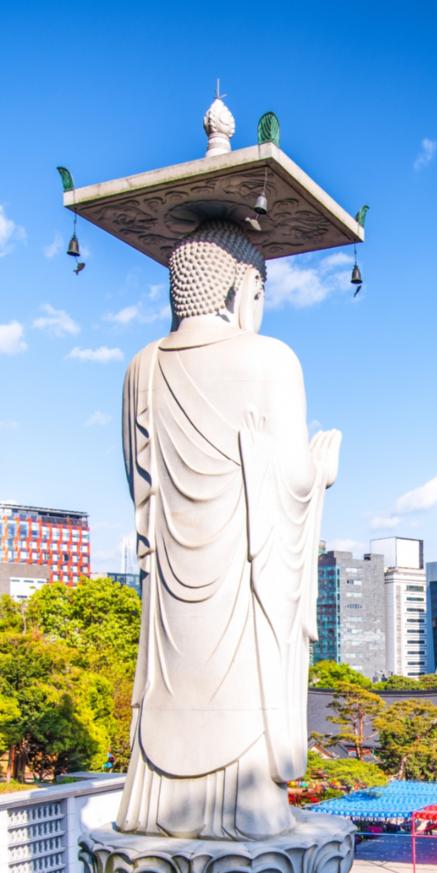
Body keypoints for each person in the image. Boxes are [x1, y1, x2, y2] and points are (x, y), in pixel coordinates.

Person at [116, 221, 340, 840]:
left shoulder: (141, 369)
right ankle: (248, 810)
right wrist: (318, 475)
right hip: (243, 587)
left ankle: (156, 807)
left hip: (170, 599)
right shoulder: (270, 359)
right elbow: (291, 478)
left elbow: (141, 488)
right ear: (243, 288)